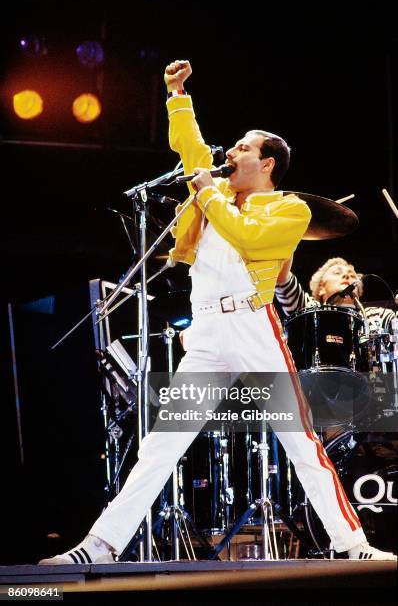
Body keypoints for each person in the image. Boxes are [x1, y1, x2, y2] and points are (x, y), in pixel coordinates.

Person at [39, 60, 396, 565]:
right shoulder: (216, 195)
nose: (230, 153)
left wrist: (207, 191)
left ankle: (355, 546)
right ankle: (98, 546)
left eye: (244, 148)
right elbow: (188, 146)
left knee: (300, 442)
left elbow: (247, 237)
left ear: (268, 163)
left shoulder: (287, 209)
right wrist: (176, 95)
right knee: (162, 444)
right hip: (206, 330)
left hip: (253, 325)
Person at [275, 255, 396, 331]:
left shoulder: (380, 316)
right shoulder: (309, 309)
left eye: (352, 275)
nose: (346, 275)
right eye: (337, 273)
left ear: (358, 290)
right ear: (321, 288)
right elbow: (281, 277)